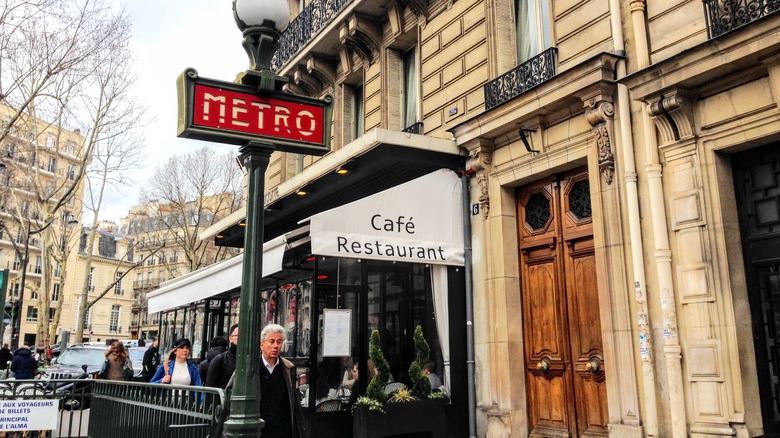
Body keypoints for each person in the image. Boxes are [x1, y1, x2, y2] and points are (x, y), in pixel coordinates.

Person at [225, 323, 304, 438]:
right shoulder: (248, 368)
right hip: (258, 430)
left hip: (282, 428)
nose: (276, 346)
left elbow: (293, 401)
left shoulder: (288, 368)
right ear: (262, 345)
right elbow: (230, 395)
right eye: (271, 341)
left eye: (279, 342)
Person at [206, 324, 238, 389]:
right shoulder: (219, 360)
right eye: (238, 335)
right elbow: (210, 387)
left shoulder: (252, 360)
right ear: (231, 338)